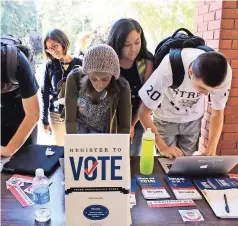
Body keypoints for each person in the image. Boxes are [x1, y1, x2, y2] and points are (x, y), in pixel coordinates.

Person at [138, 49, 232, 158]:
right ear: (191, 72)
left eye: (212, 90)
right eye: (202, 88)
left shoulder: (224, 74)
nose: (206, 94)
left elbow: (218, 112)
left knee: (189, 168)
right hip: (165, 118)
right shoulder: (168, 68)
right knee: (167, 163)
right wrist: (163, 147)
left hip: (193, 120)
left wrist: (211, 149)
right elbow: (143, 113)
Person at [107, 18, 154, 156]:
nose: (133, 49)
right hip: (111, 119)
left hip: (137, 118)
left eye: (137, 42)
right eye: (127, 44)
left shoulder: (146, 62)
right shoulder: (108, 60)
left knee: (133, 159)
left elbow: (145, 98)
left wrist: (131, 125)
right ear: (117, 43)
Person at [65, 44, 131, 134]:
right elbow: (70, 120)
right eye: (94, 79)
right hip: (79, 124)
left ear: (113, 75)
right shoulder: (75, 78)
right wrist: (72, 144)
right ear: (87, 74)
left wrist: (121, 146)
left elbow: (124, 127)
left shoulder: (122, 86)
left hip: (103, 128)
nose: (99, 85)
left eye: (105, 79)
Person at [41, 29, 82, 146]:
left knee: (77, 149)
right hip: (57, 116)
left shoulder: (80, 63)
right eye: (49, 48)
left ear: (64, 42)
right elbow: (44, 94)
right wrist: (44, 119)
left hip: (78, 116)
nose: (53, 51)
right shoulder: (49, 66)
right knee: (61, 150)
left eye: (55, 46)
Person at [1, 46, 40, 157]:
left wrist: (9, 150)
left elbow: (33, 114)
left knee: (25, 158)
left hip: (21, 105)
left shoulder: (15, 59)